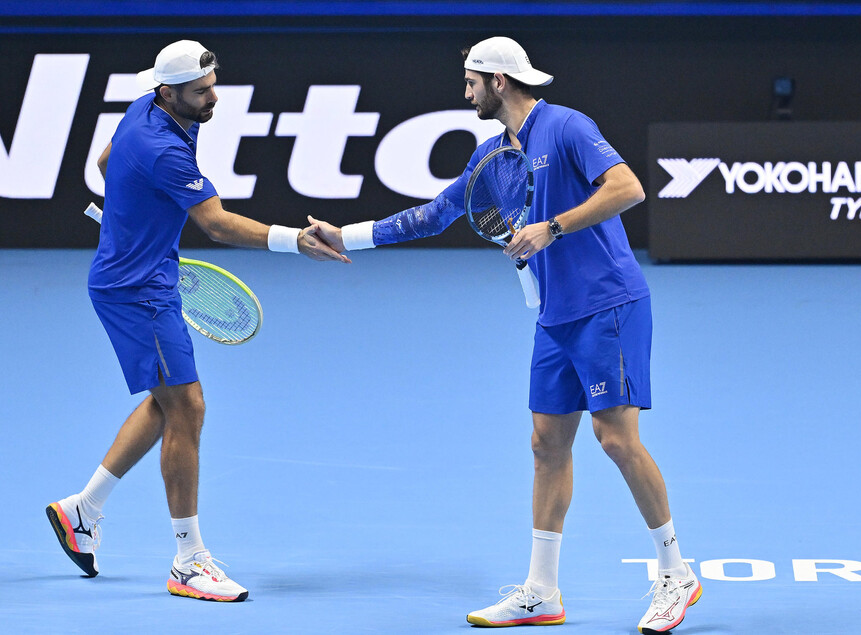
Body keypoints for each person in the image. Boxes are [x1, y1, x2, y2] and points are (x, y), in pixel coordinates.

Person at [309, 36, 700, 632]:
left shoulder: (567, 126)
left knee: (616, 440)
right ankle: (542, 589)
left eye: (471, 81)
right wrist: (349, 235)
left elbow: (627, 189)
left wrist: (553, 227)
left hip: (608, 304)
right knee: (547, 445)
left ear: (498, 80)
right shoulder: (492, 157)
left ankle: (676, 572)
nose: (465, 92)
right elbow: (434, 214)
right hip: (555, 316)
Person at [45, 40, 349, 602]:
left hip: (139, 275)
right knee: (188, 405)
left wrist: (131, 223)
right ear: (169, 92)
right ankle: (188, 562)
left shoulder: (144, 107)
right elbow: (216, 224)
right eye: (200, 92)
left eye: (213, 84)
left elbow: (106, 163)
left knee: (168, 402)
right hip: (138, 292)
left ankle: (82, 509)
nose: (213, 98)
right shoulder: (165, 149)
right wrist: (292, 241)